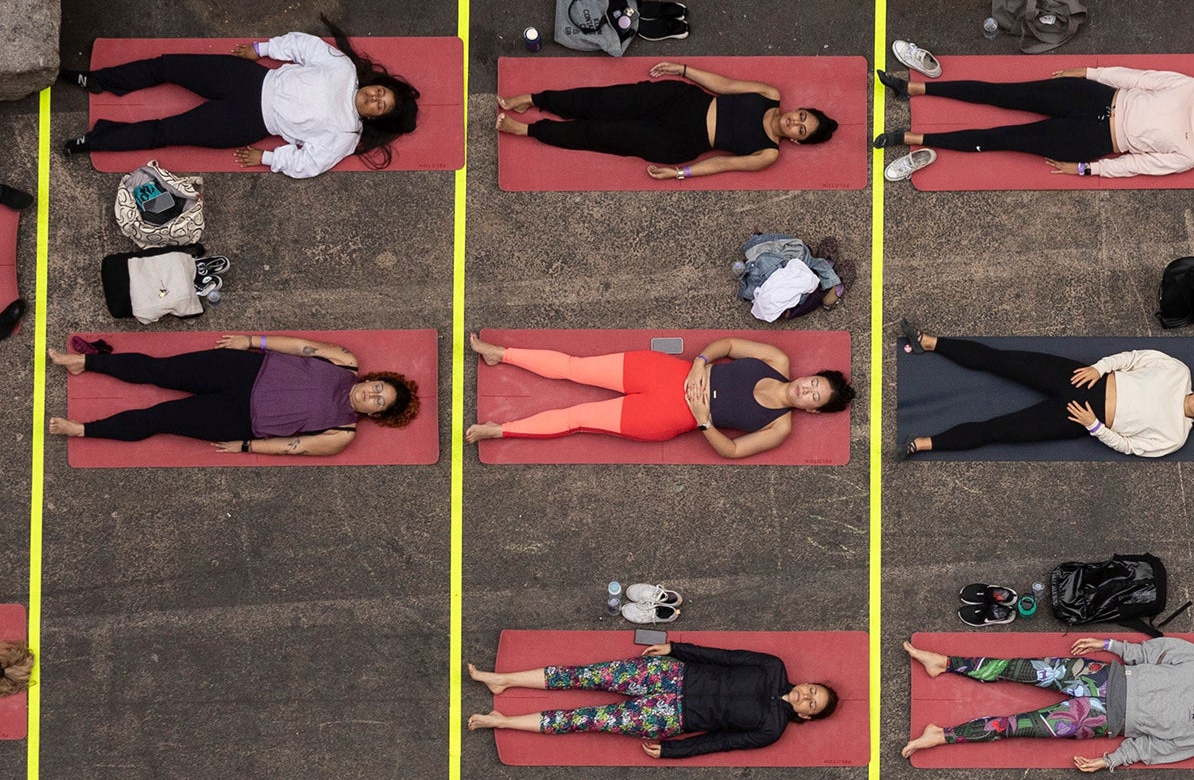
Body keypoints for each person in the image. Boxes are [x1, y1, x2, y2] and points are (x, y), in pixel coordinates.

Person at [64, 27, 421, 176]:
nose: (375, 98)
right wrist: (262, 49)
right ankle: (96, 80)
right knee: (167, 66)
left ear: (376, 119)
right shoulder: (343, 69)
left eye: (380, 106)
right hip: (248, 78)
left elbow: (308, 164)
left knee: (164, 132)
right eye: (381, 93)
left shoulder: (344, 135)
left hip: (246, 122)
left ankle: (93, 142)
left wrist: (267, 157)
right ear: (378, 84)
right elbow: (303, 45)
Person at [463, 332, 851, 459]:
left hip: (667, 416)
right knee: (574, 366)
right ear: (811, 376)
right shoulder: (777, 359)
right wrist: (700, 361)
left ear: (812, 411)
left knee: (576, 417)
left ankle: (500, 431)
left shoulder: (779, 427)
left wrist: (702, 418)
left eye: (814, 398)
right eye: (814, 383)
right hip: (669, 371)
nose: (807, 390)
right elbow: (729, 344)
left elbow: (732, 451)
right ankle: (502, 354)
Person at [901, 634, 1194, 767]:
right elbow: (1150, 652)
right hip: (1099, 675)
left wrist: (1109, 761)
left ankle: (942, 736)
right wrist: (1107, 645)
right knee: (1015, 669)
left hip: (1097, 720)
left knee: (1013, 727)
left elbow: (1150, 750)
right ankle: (944, 663)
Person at [874, 64, 1194, 179]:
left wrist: (1089, 168)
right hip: (1098, 96)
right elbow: (1136, 78)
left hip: (1089, 138)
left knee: (1002, 138)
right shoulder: (1191, 88)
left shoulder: (1193, 152)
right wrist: (1089, 73)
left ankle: (909, 137)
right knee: (1003, 94)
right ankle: (910, 89)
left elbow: (1136, 166)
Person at [45, 333, 418, 455]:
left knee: (159, 418)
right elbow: (302, 346)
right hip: (245, 369)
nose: (372, 394)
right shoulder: (346, 361)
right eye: (379, 387)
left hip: (240, 418)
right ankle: (84, 364)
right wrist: (253, 341)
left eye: (378, 401)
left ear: (376, 414)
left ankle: (81, 430)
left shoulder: (343, 434)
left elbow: (297, 447)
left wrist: (246, 446)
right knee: (160, 370)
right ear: (375, 379)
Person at [900, 332, 1194, 458]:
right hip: (1086, 381)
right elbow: (1134, 357)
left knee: (997, 431)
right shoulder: (1178, 371)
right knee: (1001, 361)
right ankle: (931, 342)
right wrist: (1098, 367)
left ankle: (924, 443)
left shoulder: (1175, 438)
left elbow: (1129, 447)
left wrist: (1094, 426)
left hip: (1080, 419)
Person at [468, 644, 839, 757]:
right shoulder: (772, 666)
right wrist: (675, 648)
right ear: (807, 683)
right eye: (813, 691)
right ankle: (503, 680)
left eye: (812, 704)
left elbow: (721, 742)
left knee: (583, 718)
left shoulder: (771, 728)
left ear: (806, 717)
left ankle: (501, 720)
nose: (806, 697)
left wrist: (673, 752)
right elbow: (721, 656)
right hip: (670, 674)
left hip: (667, 716)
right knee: (582, 675)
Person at [493, 62, 838, 179]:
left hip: (681, 141)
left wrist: (680, 173)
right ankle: (535, 100)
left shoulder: (769, 153)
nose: (795, 123)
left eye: (801, 130)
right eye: (801, 117)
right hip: (682, 99)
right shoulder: (770, 94)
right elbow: (724, 85)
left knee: (602, 134)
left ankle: (529, 130)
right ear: (799, 109)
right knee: (604, 100)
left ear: (797, 141)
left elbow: (720, 165)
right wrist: (683, 70)